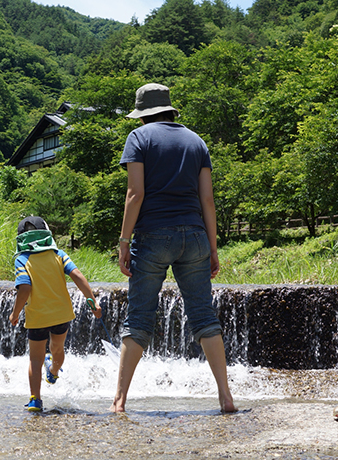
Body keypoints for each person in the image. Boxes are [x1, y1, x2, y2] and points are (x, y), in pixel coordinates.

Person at [110, 83, 237, 413]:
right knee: (203, 316)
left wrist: (124, 242)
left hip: (153, 235)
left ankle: (120, 401)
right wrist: (213, 246)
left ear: (143, 114)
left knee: (139, 318)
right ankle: (225, 397)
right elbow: (207, 199)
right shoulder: (197, 141)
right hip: (194, 236)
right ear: (169, 109)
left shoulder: (139, 138)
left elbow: (134, 194)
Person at [9, 215, 102, 412]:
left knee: (36, 358)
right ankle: (53, 371)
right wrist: (92, 301)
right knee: (57, 349)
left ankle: (35, 399)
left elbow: (24, 288)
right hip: (61, 314)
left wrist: (15, 313)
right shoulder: (59, 254)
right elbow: (78, 276)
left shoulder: (22, 260)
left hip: (37, 317)